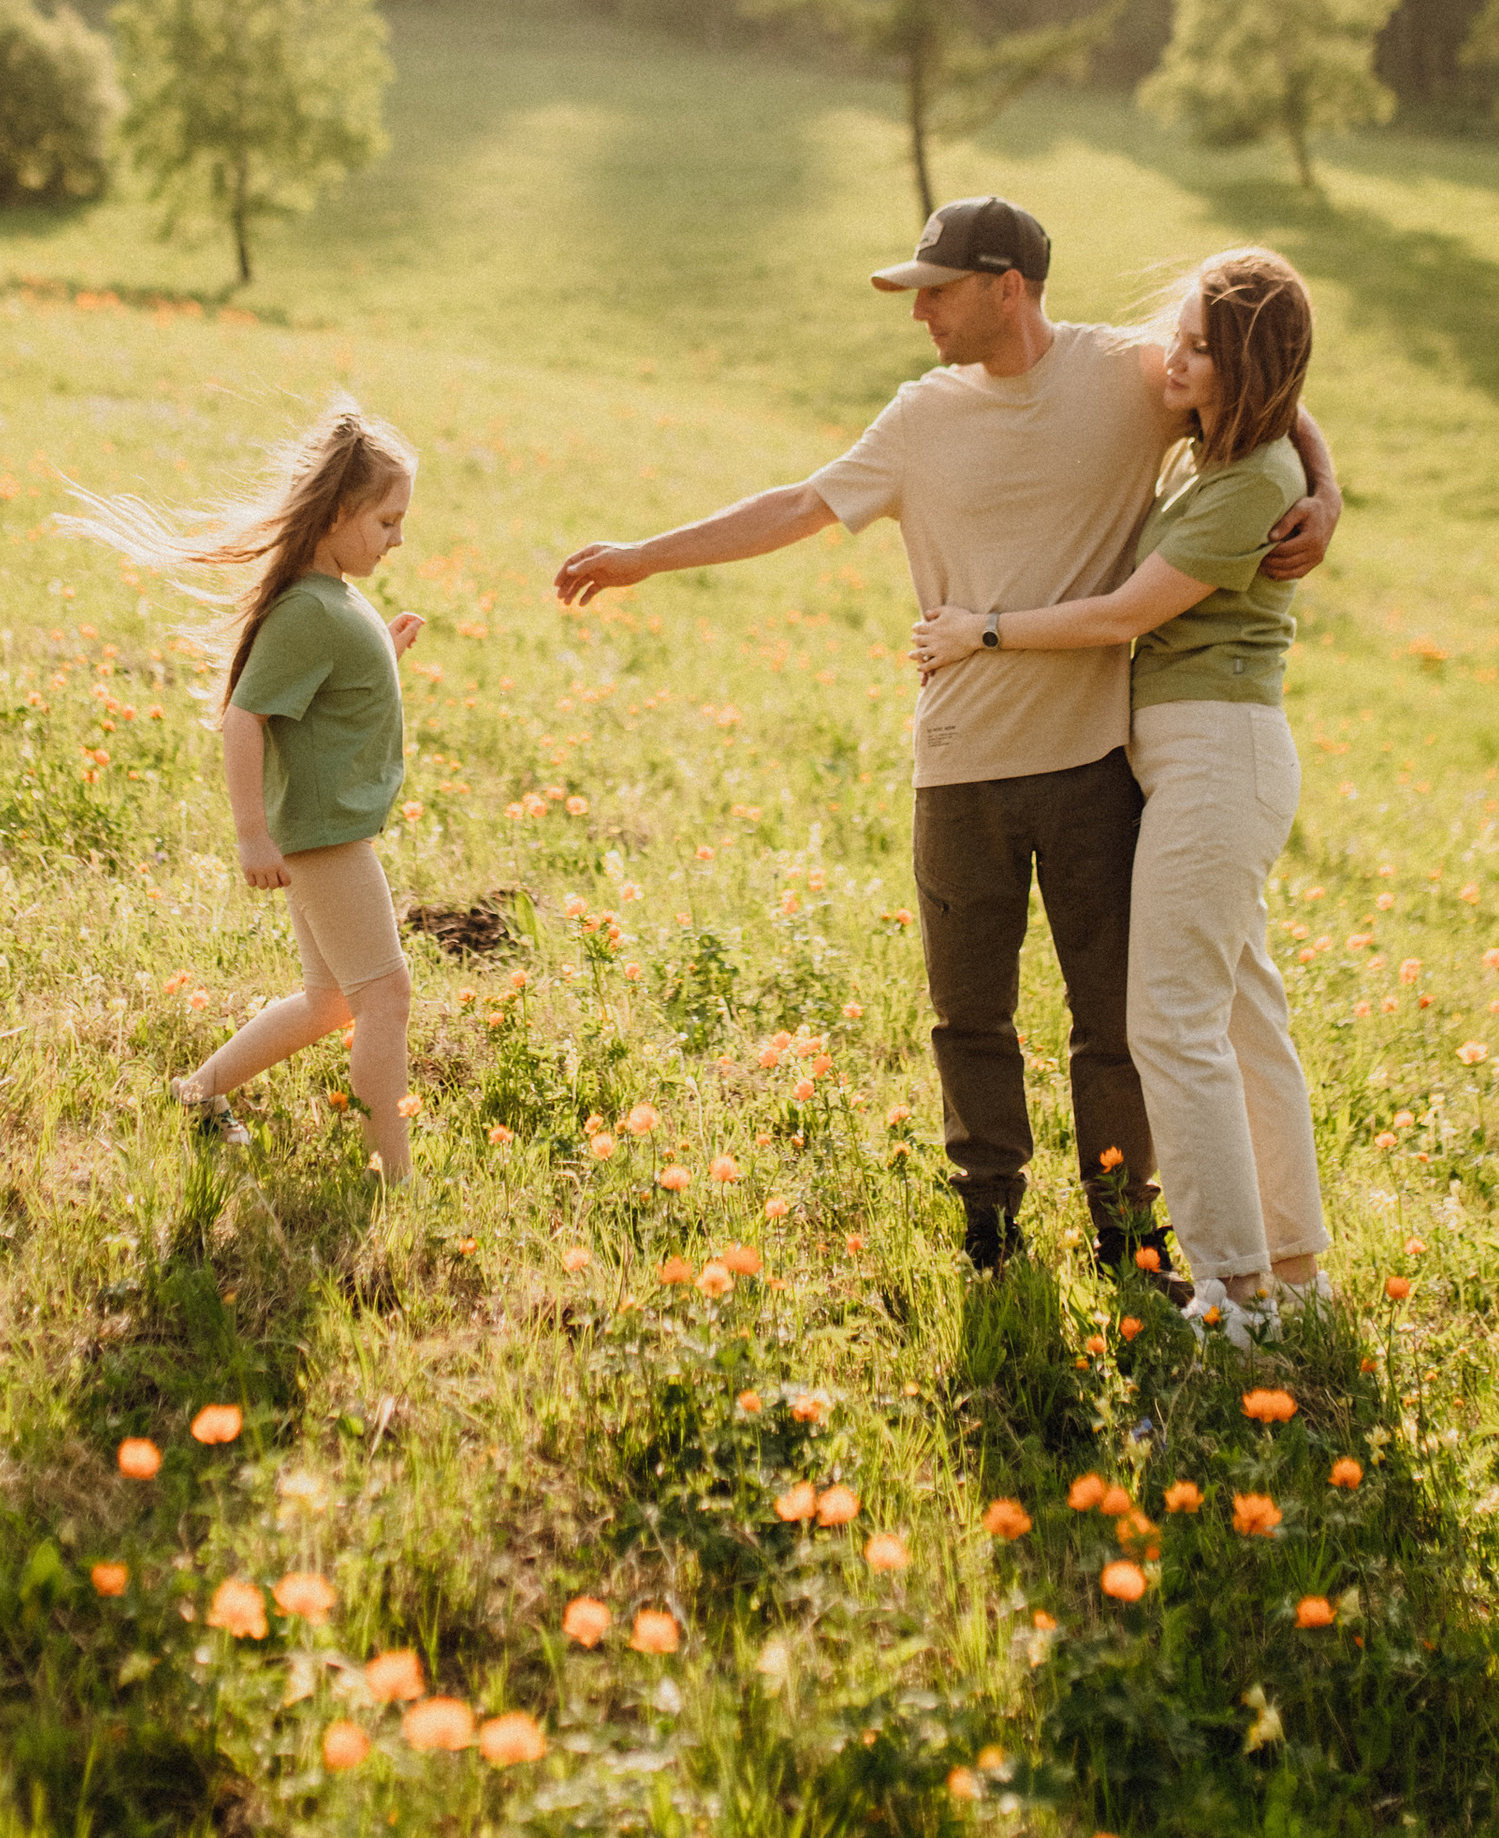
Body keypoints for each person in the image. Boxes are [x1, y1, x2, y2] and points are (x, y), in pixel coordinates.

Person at [554, 196, 1340, 1272]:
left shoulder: (1126, 375)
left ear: (1004, 288)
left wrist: (1325, 491)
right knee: (969, 1015)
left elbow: (1262, 387)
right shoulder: (920, 417)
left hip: (1095, 765)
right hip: (960, 763)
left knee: (1112, 1027)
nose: (919, 314)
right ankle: (991, 1225)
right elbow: (795, 507)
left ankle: (1128, 1235)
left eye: (936, 292)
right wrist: (647, 553)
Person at [914, 246, 1329, 1342]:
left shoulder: (1246, 478)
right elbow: (1294, 411)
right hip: (1192, 755)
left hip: (1215, 755)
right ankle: (1292, 1271)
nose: (1171, 360)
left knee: (1173, 1022)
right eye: (1178, 336)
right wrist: (1325, 478)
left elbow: (1119, 615)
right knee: (1242, 1014)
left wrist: (981, 630)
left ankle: (1233, 1292)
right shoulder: (1228, 441)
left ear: (1245, 369)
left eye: (1197, 348)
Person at [68, 403, 424, 1184]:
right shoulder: (307, 608)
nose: (398, 537)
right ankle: (388, 1178)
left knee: (331, 1001)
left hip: (327, 829)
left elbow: (326, 686)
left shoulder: (330, 596)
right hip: (325, 835)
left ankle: (196, 1094)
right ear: (338, 514)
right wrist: (251, 834)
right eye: (389, 520)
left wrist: (380, 654)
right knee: (385, 998)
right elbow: (244, 719)